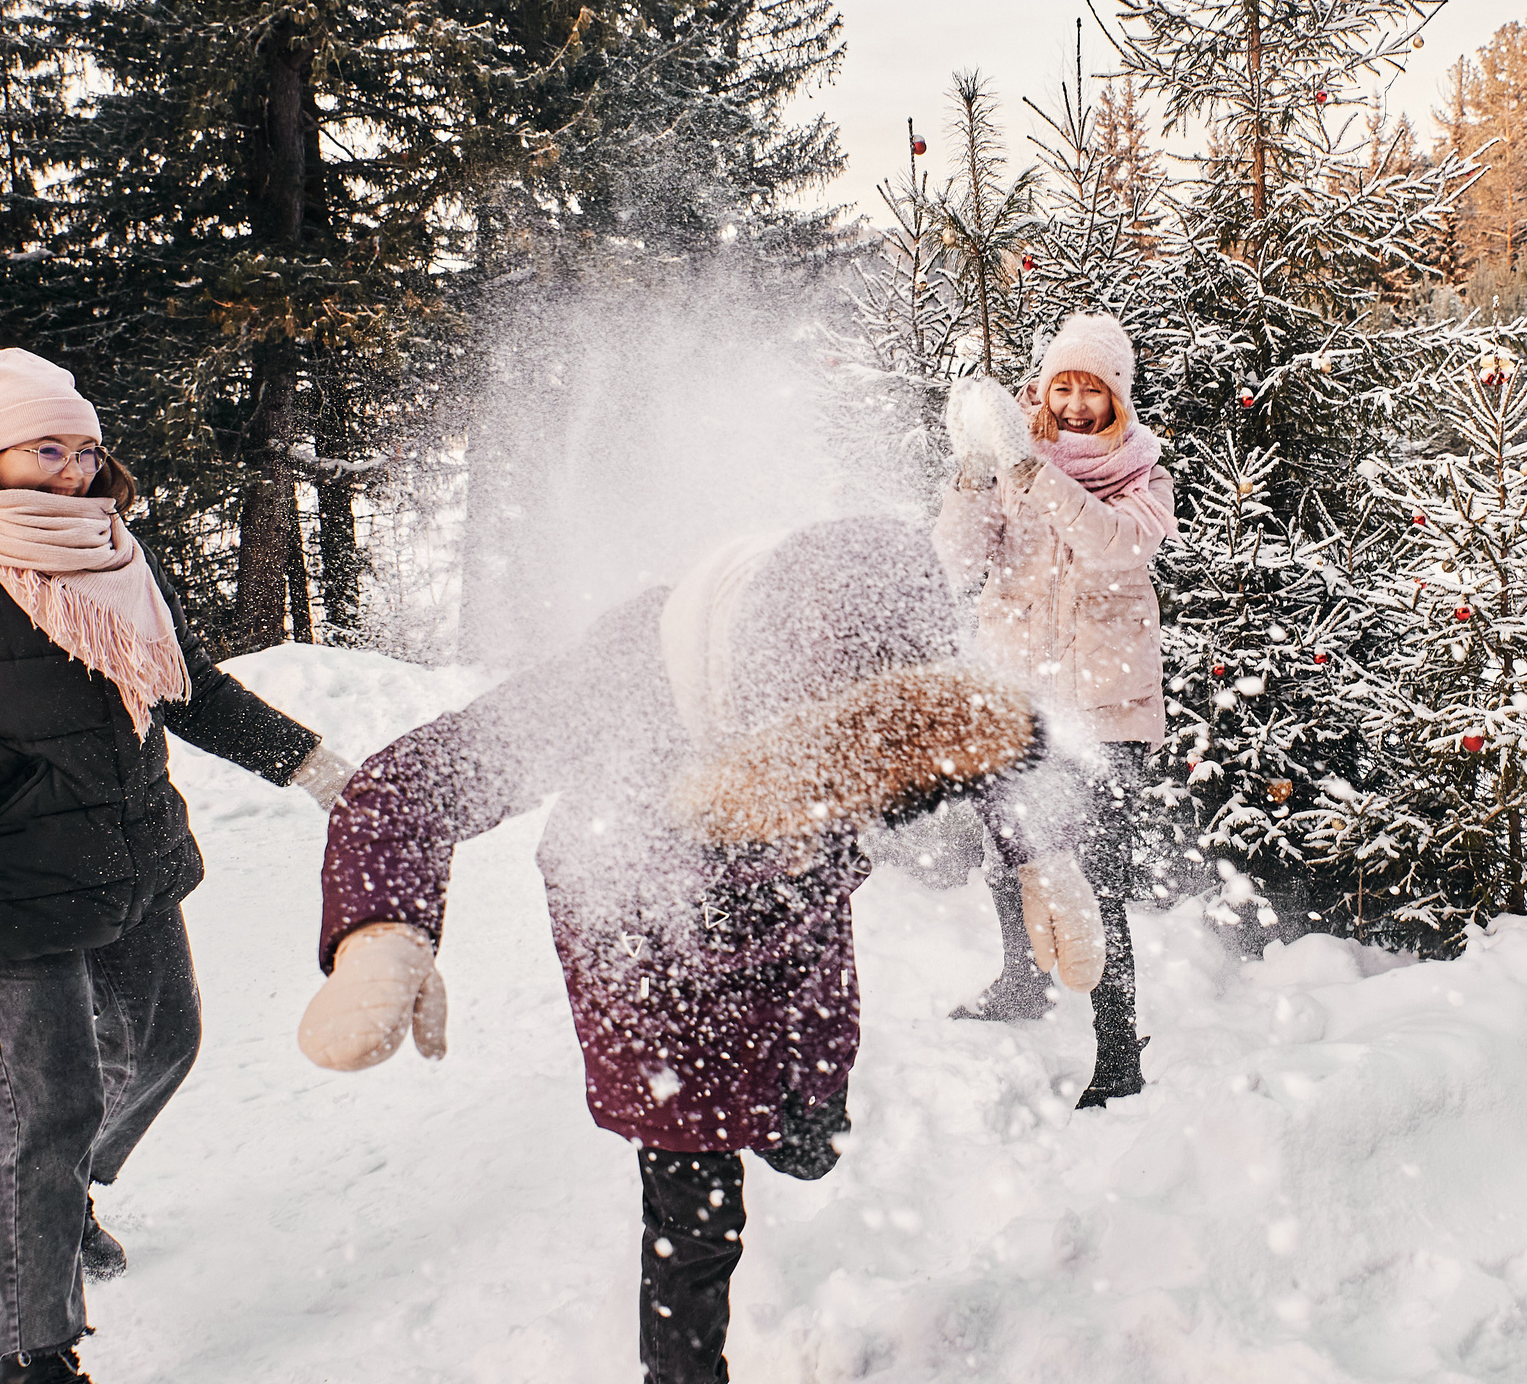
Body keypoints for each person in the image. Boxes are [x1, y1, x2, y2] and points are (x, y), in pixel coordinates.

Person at [295, 518, 1104, 1384]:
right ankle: (682, 1371)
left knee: (813, 1114)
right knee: (697, 1206)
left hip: (796, 920)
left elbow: (974, 735)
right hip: (647, 956)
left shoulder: (889, 645)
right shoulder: (621, 674)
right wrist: (381, 929)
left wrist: (1040, 854)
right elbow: (417, 784)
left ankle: (803, 1116)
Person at [0, 348, 356, 1384]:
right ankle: (37, 1347)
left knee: (165, 1041)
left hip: (127, 857)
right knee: (41, 1111)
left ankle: (69, 1186)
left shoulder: (115, 549)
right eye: (44, 447)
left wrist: (305, 757)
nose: (69, 469)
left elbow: (184, 684)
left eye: (83, 448)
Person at [932, 311, 1178, 1107]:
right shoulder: (1012, 464)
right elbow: (957, 562)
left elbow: (1116, 546)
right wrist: (975, 473)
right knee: (1010, 851)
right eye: (1063, 385)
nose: (1075, 404)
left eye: (1094, 389)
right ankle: (1020, 981)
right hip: (1021, 701)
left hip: (1105, 712)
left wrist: (1033, 475)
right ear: (1044, 390)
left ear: (1118, 399)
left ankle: (1119, 1053)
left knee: (1096, 879)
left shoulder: (1144, 479)